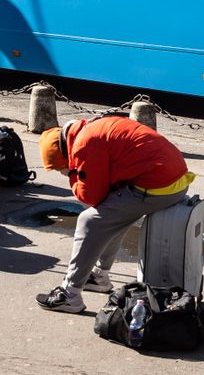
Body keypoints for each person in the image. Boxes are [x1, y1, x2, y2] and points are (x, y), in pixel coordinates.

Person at [34, 115, 195, 313]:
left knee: (90, 220)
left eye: (60, 168)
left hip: (158, 185)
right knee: (113, 214)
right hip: (174, 178)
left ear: (64, 155)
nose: (61, 173)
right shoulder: (95, 126)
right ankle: (99, 277)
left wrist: (73, 174)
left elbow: (91, 197)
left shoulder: (83, 144)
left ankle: (69, 294)